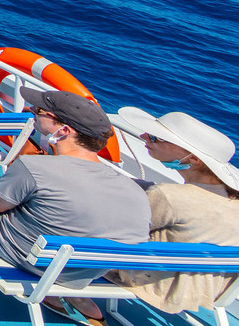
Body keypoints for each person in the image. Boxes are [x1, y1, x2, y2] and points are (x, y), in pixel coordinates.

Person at [0, 88, 150, 305]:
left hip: (28, 258)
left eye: (39, 111)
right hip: (78, 278)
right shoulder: (135, 191)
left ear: (64, 130)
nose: (30, 110)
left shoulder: (34, 166)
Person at [100, 108, 239, 315]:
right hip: (203, 295)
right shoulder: (231, 201)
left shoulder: (168, 196)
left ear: (193, 159)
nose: (144, 136)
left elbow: (115, 231)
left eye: (156, 138)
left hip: (153, 288)